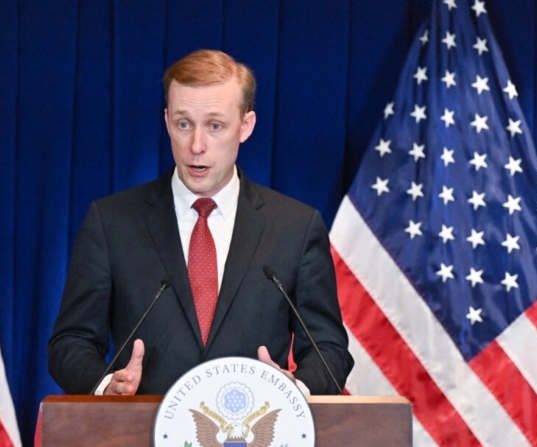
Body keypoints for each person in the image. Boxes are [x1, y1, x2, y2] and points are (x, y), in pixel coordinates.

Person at [48, 49, 353, 396]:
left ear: (246, 126)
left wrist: (294, 389)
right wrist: (106, 386)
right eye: (183, 124)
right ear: (166, 122)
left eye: (215, 126)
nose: (196, 145)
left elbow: (329, 349)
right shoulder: (111, 222)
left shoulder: (295, 227)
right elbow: (70, 342)